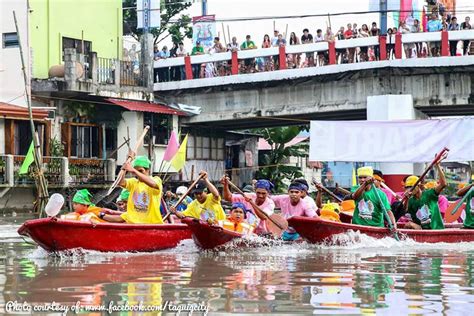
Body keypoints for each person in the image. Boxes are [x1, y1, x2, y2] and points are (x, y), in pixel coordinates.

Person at [100, 156, 164, 224]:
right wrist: (125, 166)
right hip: (133, 225)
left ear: (148, 170)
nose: (137, 174)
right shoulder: (133, 182)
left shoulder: (156, 180)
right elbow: (120, 182)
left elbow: (153, 184)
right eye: (135, 171)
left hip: (151, 224)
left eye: (140, 171)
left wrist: (134, 170)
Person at [404, 162, 446, 230]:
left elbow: (443, 184)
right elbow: (404, 211)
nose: (409, 189)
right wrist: (406, 199)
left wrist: (438, 165)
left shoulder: (429, 194)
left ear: (418, 186)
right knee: (408, 225)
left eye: (411, 187)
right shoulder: (411, 200)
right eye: (407, 187)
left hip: (435, 229)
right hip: (421, 229)